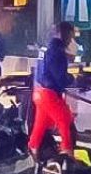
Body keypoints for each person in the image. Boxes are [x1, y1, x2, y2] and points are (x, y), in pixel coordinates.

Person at [28, 21, 77, 163]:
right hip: (49, 93)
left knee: (41, 124)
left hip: (40, 92)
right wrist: (73, 79)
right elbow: (59, 76)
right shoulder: (57, 51)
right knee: (65, 119)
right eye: (70, 35)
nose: (70, 39)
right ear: (63, 33)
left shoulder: (49, 48)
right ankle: (67, 153)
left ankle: (32, 150)